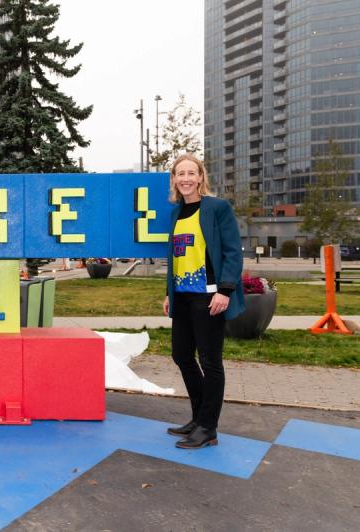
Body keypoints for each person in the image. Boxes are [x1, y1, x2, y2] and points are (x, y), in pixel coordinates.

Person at [162, 153, 244, 449]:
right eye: (179, 173)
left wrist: (225, 290)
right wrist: (168, 293)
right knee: (181, 355)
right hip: (182, 296)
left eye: (190, 173)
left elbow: (233, 252)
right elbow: (176, 258)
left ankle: (209, 428)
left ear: (200, 177)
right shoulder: (175, 213)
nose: (185, 178)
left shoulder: (217, 208)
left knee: (211, 361)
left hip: (210, 296)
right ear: (174, 179)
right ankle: (198, 418)